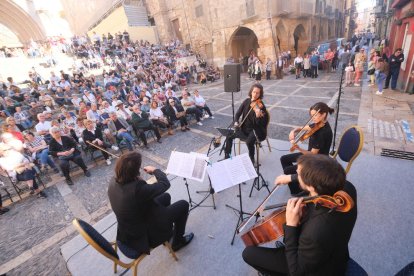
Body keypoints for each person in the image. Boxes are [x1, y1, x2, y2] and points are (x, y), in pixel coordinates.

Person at [243, 154, 357, 275]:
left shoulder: (314, 232)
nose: (296, 172)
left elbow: (297, 272)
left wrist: (291, 225)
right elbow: (318, 179)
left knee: (248, 254)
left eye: (299, 174)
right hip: (335, 249)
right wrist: (290, 178)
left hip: (321, 268)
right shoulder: (347, 188)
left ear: (311, 186)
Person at [108, 152, 194, 255]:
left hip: (129, 228)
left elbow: (140, 193)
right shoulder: (137, 189)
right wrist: (155, 170)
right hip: (143, 236)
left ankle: (167, 230)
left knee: (166, 197)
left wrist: (136, 177)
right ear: (134, 173)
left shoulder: (114, 181)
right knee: (183, 205)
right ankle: (177, 242)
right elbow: (165, 184)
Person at [278, 102, 334, 195]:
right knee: (284, 159)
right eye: (311, 115)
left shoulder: (321, 133)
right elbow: (303, 128)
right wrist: (293, 131)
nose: (313, 118)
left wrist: (299, 148)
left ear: (324, 114)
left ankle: (296, 190)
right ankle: (297, 182)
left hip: (317, 161)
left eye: (315, 115)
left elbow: (312, 154)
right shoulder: (318, 123)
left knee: (287, 171)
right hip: (310, 155)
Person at [224, 84, 269, 163]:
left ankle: (251, 158)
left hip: (255, 130)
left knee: (249, 141)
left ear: (260, 94)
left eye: (258, 93)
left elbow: (260, 124)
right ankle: (227, 155)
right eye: (254, 92)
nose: (255, 94)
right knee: (229, 135)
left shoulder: (261, 107)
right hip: (244, 128)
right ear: (251, 92)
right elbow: (237, 114)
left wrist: (258, 115)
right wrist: (236, 123)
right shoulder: (246, 101)